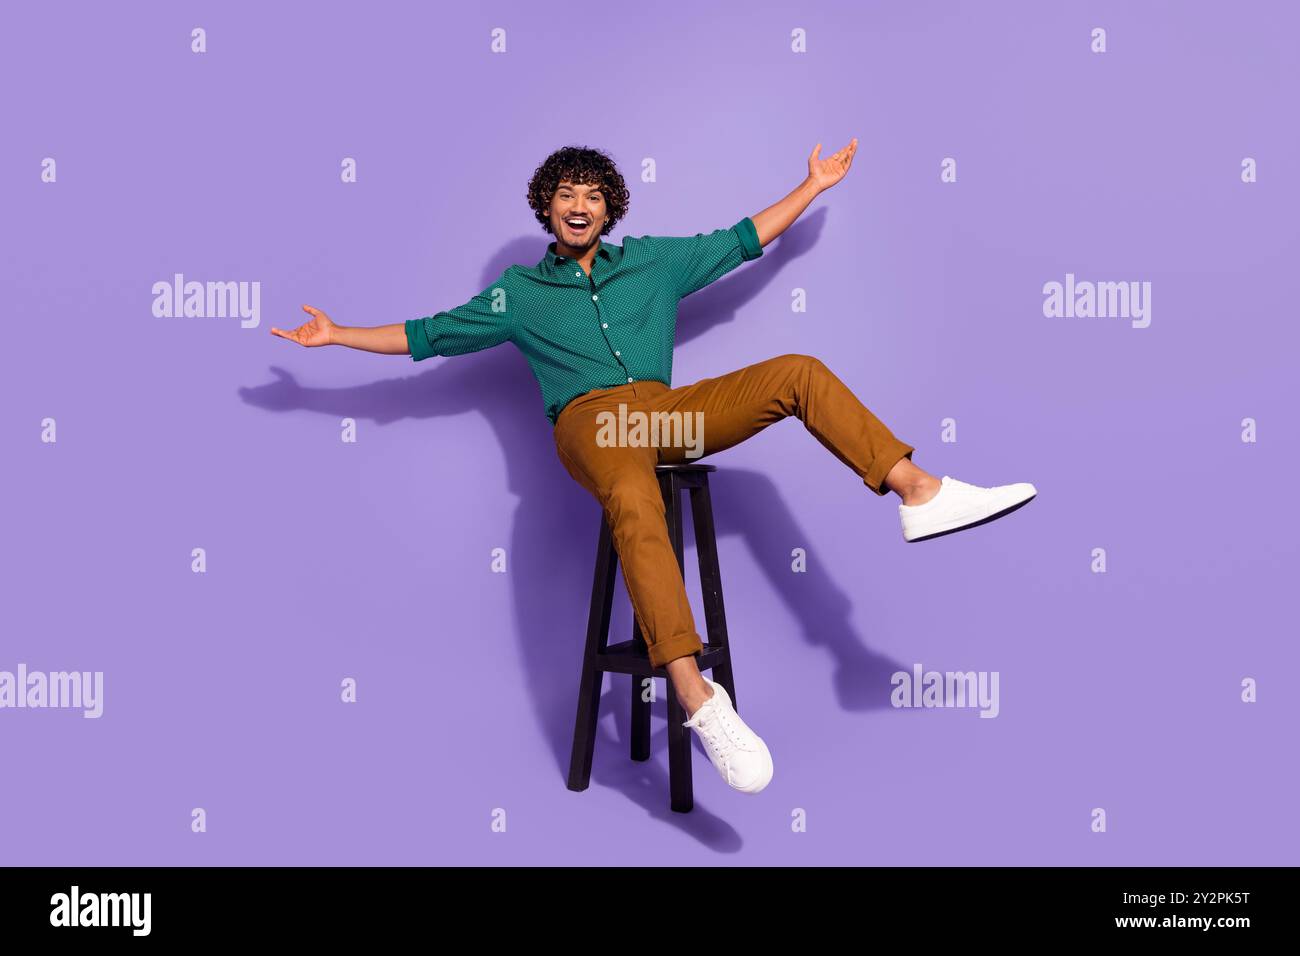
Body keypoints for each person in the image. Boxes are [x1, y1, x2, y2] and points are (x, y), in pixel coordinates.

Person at [271, 142, 1037, 796]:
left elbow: (743, 240)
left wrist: (814, 185)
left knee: (797, 371)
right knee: (634, 495)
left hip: (660, 414)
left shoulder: (655, 265)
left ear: (610, 209)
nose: (580, 204)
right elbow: (425, 335)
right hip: (587, 423)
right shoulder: (518, 295)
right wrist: (337, 334)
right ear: (548, 208)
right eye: (566, 194)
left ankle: (918, 492)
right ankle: (699, 699)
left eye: (593, 194)